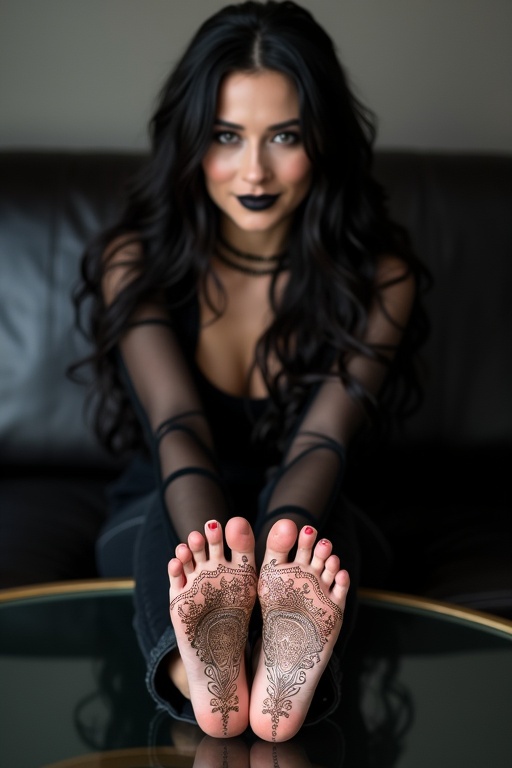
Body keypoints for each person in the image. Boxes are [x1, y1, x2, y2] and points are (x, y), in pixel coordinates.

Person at [75, 0, 426, 744]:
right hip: (163, 501)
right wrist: (221, 554)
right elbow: (177, 430)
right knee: (185, 550)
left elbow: (321, 444)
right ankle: (201, 669)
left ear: (324, 141)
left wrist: (279, 549)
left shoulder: (377, 278)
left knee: (311, 539)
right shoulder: (134, 262)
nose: (254, 170)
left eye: (285, 137)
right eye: (227, 136)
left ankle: (274, 671)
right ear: (191, 140)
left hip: (316, 500)